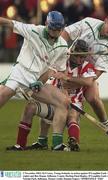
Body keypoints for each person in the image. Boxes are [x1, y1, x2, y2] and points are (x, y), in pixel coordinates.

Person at [6, 40, 97, 151]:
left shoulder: (87, 66)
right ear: (71, 52)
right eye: (77, 56)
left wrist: (66, 77)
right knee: (30, 108)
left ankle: (73, 142)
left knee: (73, 115)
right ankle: (22, 145)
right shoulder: (61, 60)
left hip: (74, 106)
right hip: (56, 105)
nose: (79, 60)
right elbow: (49, 71)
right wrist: (40, 81)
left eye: (83, 57)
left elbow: (88, 82)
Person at [0, 11, 71, 150]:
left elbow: (53, 70)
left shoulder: (63, 46)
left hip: (38, 80)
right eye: (53, 28)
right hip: (20, 73)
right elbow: (9, 23)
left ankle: (57, 144)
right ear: (46, 24)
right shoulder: (33, 30)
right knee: (3, 96)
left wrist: (41, 82)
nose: (56, 32)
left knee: (64, 102)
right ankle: (20, 145)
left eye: (59, 29)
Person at [61, 11, 108, 128]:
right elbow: (66, 33)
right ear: (106, 20)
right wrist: (60, 49)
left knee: (93, 98)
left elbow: (96, 73)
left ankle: (106, 124)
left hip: (87, 72)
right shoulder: (88, 22)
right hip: (68, 63)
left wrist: (78, 83)